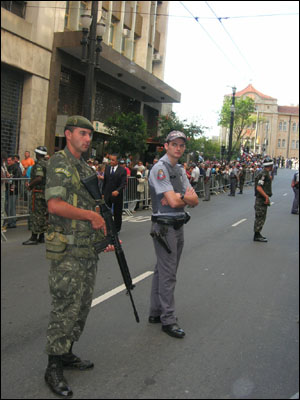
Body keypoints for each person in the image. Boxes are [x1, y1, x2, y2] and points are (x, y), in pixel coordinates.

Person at [44, 115, 115, 398]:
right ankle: (53, 365)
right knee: (65, 307)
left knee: (82, 306)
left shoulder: (84, 166)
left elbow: (93, 211)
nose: (87, 139)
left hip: (86, 250)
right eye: (83, 134)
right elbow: (54, 205)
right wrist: (89, 216)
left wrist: (104, 238)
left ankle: (67, 352)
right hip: (67, 252)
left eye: (90, 135)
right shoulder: (59, 163)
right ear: (68, 133)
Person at [148, 131, 199, 339]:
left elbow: (194, 200)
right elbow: (179, 200)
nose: (178, 148)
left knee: (162, 270)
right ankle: (168, 320)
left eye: (182, 145)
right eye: (174, 144)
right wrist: (182, 198)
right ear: (166, 146)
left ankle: (155, 312)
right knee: (168, 274)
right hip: (165, 227)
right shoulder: (160, 169)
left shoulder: (179, 169)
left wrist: (180, 198)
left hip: (178, 224)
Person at [22, 146, 48, 245]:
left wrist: (30, 185)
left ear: (37, 154)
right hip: (45, 192)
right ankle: (41, 236)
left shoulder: (39, 165)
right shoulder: (47, 164)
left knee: (36, 215)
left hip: (38, 192)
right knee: (42, 214)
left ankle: (34, 237)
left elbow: (39, 178)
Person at [102, 154, 127, 233]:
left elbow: (123, 183)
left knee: (117, 212)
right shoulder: (107, 168)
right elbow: (105, 182)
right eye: (110, 160)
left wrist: (118, 190)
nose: (111, 162)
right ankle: (107, 227)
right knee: (106, 212)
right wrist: (103, 193)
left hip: (117, 194)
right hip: (107, 193)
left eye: (113, 160)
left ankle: (117, 229)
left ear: (117, 161)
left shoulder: (122, 170)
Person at [253, 157, 273, 242]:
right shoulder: (264, 174)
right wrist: (266, 196)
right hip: (261, 199)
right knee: (260, 217)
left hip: (262, 199)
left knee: (261, 217)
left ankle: (258, 233)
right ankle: (257, 235)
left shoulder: (265, 173)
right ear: (270, 165)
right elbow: (259, 187)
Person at [5, 155, 22, 228]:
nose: (8, 162)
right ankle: (10, 220)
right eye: (7, 160)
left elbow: (17, 178)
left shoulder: (16, 167)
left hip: (13, 189)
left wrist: (10, 177)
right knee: (7, 206)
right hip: (7, 189)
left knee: (11, 206)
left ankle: (12, 222)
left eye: (9, 160)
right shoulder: (8, 167)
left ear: (13, 160)